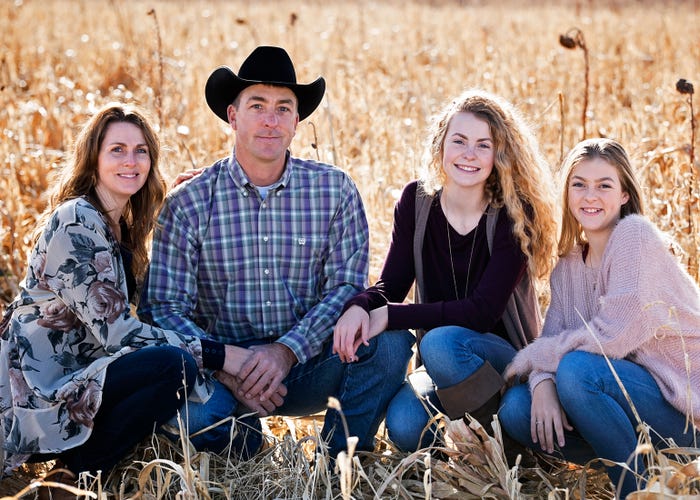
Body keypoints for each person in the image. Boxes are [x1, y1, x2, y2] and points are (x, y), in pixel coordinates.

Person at [138, 45, 414, 459]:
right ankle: (243, 442)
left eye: (284, 108)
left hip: (306, 365)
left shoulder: (334, 191)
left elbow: (344, 288)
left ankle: (341, 458)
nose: (271, 120)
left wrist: (285, 352)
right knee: (185, 413)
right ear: (233, 116)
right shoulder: (190, 202)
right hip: (220, 373)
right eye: (258, 106)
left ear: (297, 121)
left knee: (388, 341)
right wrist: (227, 366)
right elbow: (162, 309)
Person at [0, 104, 251, 492]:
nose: (130, 161)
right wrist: (222, 356)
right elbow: (119, 334)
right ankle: (74, 476)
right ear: (93, 159)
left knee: (198, 396)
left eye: (141, 151)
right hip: (36, 387)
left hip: (78, 377)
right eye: (117, 150)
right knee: (172, 367)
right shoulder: (76, 220)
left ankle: (71, 472)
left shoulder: (119, 226)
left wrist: (184, 197)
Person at [333, 89, 557, 455]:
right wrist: (361, 304)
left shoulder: (515, 215)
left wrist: (390, 316)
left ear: (499, 156)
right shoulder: (417, 203)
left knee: (440, 341)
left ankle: (499, 445)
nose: (469, 154)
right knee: (405, 428)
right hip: (439, 365)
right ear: (441, 146)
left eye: (484, 145)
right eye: (459, 141)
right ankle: (469, 433)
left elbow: (481, 311)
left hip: (504, 362)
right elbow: (392, 284)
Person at [499, 138, 700, 497]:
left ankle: (637, 490)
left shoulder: (635, 236)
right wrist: (542, 381)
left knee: (578, 370)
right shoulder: (569, 265)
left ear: (624, 194)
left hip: (684, 411)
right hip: (627, 405)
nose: (590, 196)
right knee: (517, 410)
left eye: (604, 185)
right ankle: (640, 465)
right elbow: (554, 337)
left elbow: (613, 339)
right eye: (579, 185)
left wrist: (533, 358)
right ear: (568, 193)